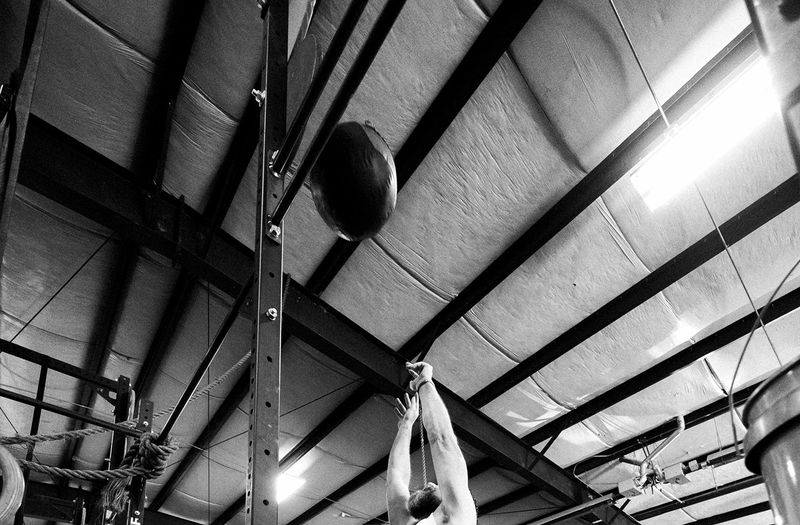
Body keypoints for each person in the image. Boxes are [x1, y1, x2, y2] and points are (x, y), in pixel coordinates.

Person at [387, 362, 476, 525]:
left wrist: (424, 381)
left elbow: (441, 440)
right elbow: (396, 475)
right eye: (435, 486)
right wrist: (405, 425)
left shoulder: (459, 518)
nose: (429, 483)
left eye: (433, 487)